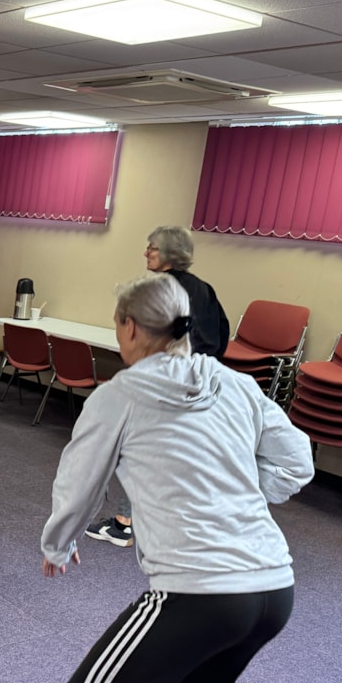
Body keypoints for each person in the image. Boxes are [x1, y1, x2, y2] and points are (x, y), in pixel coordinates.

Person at [16, 273, 312, 683]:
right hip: (273, 587)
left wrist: (58, 543)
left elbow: (80, 481)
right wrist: (239, 496)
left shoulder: (120, 395)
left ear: (129, 328)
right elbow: (297, 461)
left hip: (200, 592)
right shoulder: (236, 384)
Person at [85, 225, 229, 548]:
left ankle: (123, 525)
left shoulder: (158, 289)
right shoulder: (204, 289)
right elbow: (221, 335)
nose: (146, 253)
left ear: (168, 254)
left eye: (151, 248)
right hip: (201, 383)